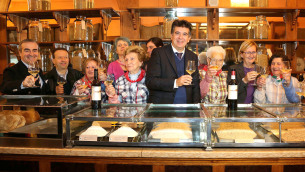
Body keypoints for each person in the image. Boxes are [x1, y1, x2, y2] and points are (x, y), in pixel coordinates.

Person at [146, 19, 200, 104]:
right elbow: (150, 81)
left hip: (186, 109)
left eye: (184, 34)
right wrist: (175, 82)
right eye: (177, 33)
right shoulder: (158, 53)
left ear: (189, 38)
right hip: (163, 109)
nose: (180, 37)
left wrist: (197, 109)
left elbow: (196, 85)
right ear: (171, 35)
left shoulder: (193, 56)